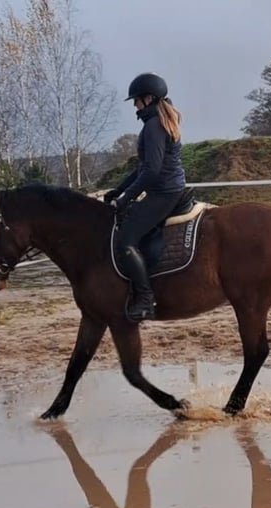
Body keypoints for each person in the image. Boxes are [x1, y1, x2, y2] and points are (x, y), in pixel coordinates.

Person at [104, 72, 187, 323]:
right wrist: (119, 190)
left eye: (136, 101)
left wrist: (126, 199)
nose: (135, 106)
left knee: (126, 240)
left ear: (148, 99)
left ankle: (144, 299)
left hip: (164, 192)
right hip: (168, 188)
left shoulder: (153, 126)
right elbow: (142, 168)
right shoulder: (158, 121)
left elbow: (151, 171)